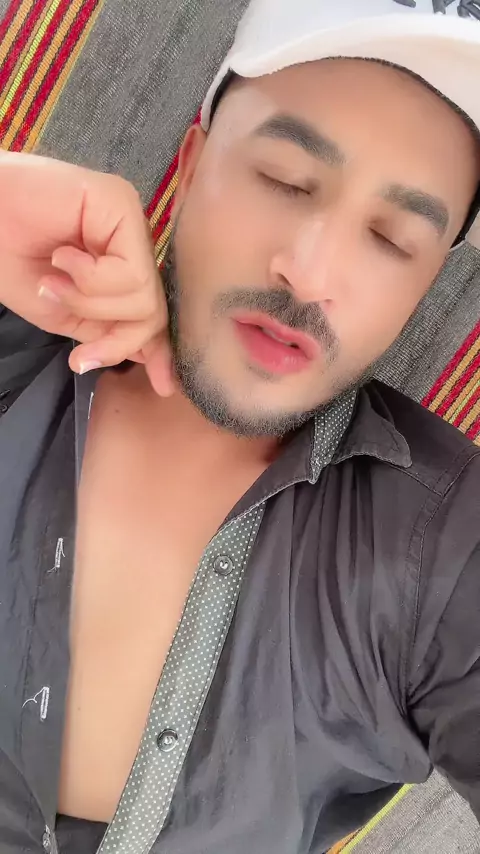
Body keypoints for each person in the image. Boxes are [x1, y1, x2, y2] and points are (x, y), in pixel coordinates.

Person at [0, 0, 479, 852]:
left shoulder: (447, 549)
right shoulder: (16, 342)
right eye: (286, 179)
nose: (311, 272)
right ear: (189, 167)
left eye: (393, 238)